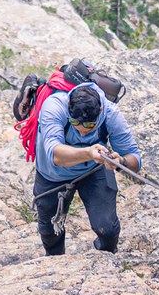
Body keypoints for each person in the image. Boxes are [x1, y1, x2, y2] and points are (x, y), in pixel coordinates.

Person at [33, 80, 140, 256]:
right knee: (50, 231)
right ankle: (55, 262)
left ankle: (105, 260)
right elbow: (56, 155)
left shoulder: (111, 115)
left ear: (99, 112)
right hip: (53, 173)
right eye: (75, 124)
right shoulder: (54, 107)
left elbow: (134, 159)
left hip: (94, 170)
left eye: (90, 126)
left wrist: (121, 162)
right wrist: (89, 153)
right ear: (68, 108)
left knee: (108, 229)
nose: (83, 131)